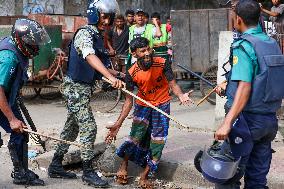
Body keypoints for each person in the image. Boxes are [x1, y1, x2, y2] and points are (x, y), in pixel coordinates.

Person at [47, 0, 123, 188]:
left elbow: (102, 66)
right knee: (89, 127)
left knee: (71, 129)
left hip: (84, 89)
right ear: (95, 15)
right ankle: (88, 172)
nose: (107, 21)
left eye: (109, 17)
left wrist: (121, 76)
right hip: (74, 89)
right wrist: (109, 76)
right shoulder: (85, 34)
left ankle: (55, 164)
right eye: (104, 16)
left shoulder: (99, 36)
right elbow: (90, 56)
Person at [105, 37, 193, 189]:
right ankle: (123, 165)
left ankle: (144, 176)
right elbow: (128, 101)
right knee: (135, 138)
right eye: (142, 51)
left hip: (162, 104)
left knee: (158, 141)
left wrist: (180, 95)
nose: (147, 53)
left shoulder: (162, 62)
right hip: (143, 106)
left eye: (148, 49)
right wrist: (118, 124)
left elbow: (173, 84)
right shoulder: (132, 72)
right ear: (134, 53)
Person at [214, 1, 283, 188]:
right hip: (268, 121)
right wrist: (228, 84)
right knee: (257, 179)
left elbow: (244, 87)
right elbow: (261, 76)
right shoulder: (271, 43)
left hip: (246, 123)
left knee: (226, 177)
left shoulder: (243, 45)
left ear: (239, 19)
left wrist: (227, 123)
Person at [0, 18, 50, 186]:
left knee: (20, 133)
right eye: (33, 43)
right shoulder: (8, 58)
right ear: (21, 40)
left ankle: (21, 173)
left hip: (7, 98)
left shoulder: (18, 49)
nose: (36, 48)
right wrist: (11, 118)